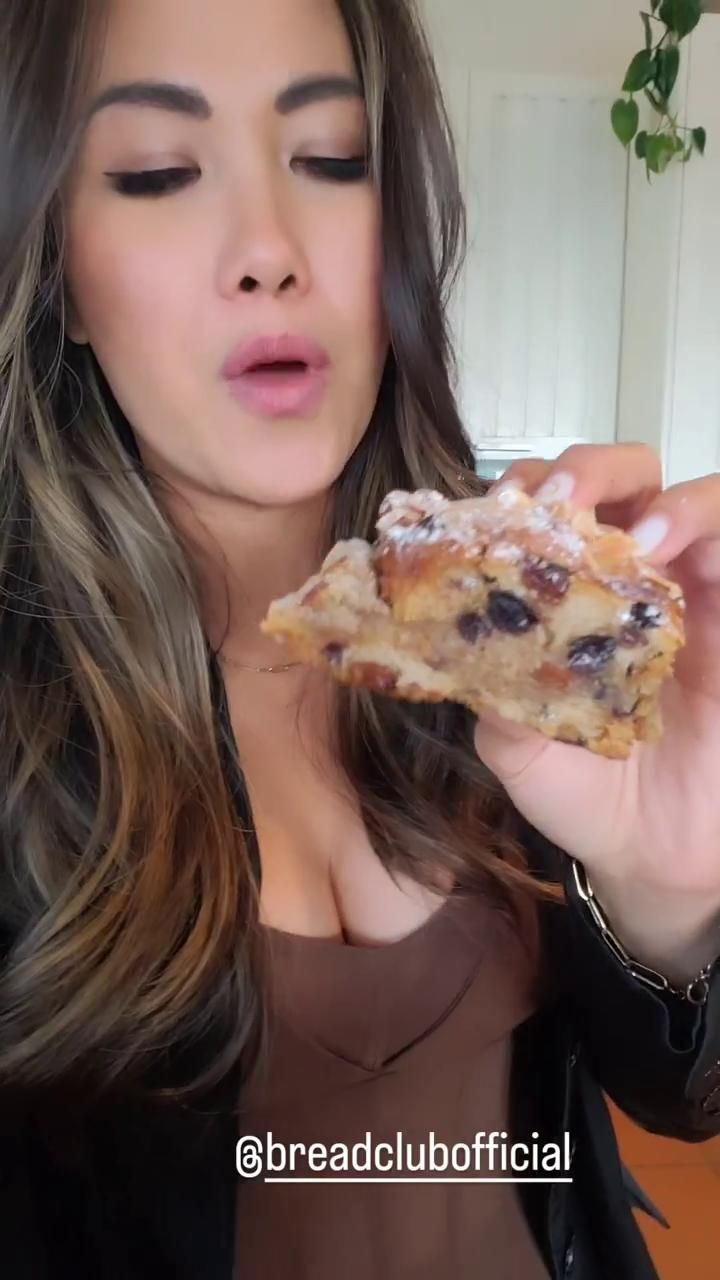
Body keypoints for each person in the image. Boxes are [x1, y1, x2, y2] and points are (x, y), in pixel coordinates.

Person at [1, 0, 719, 1276]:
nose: (269, 251)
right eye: (158, 172)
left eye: (332, 156)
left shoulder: (521, 623)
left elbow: (674, 1097)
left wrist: (666, 888)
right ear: (60, 275)